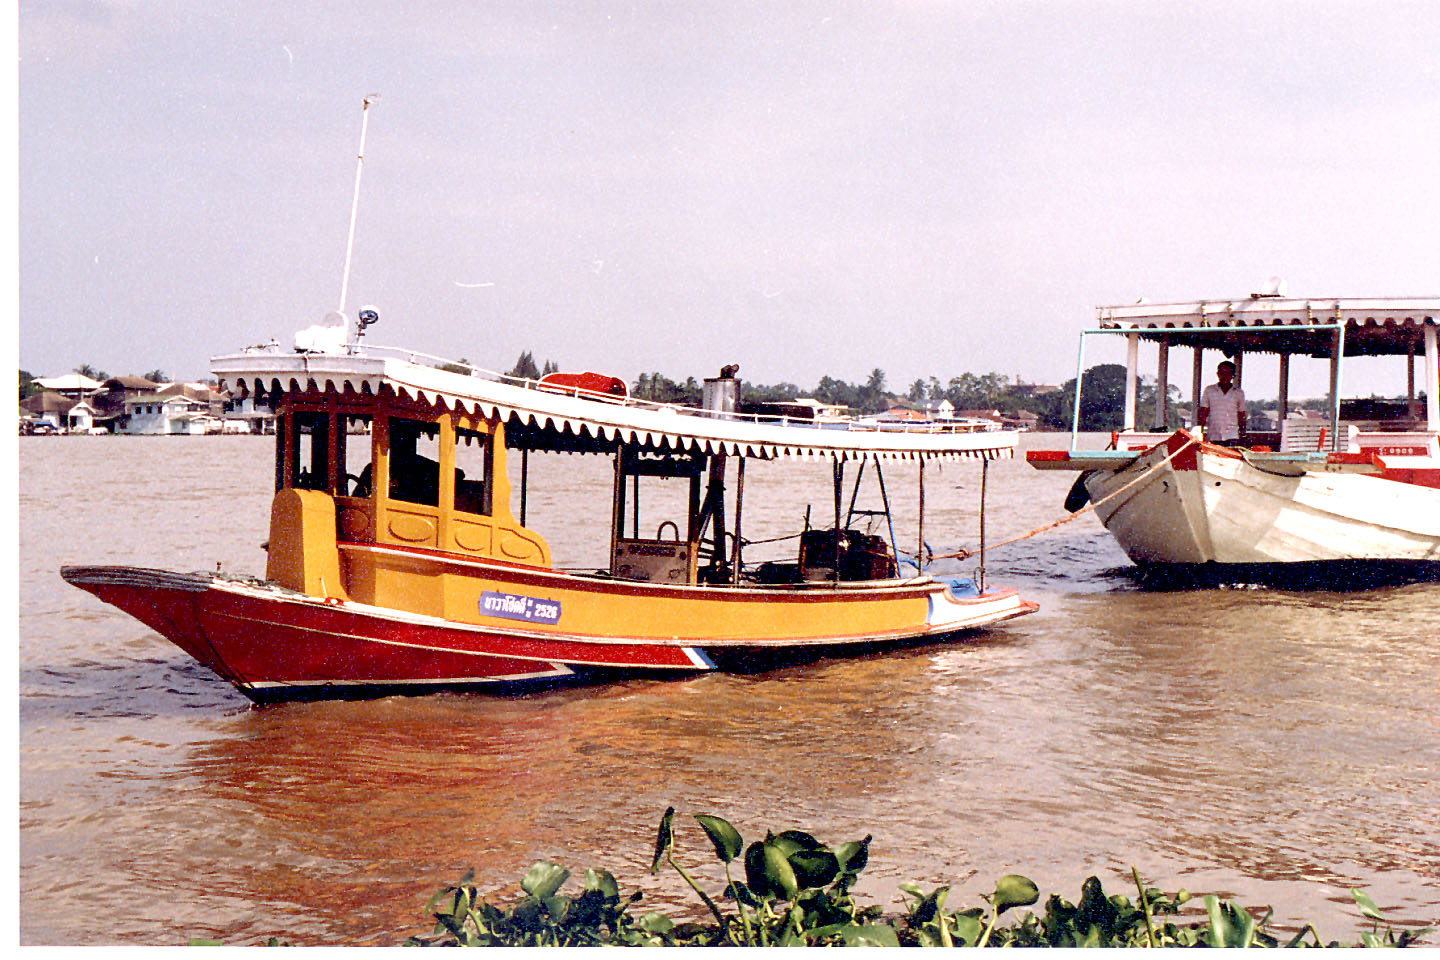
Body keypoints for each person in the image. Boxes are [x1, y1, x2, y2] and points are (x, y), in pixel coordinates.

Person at [1198, 360, 1246, 446]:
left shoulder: (1239, 393)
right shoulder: (1209, 390)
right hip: (1213, 436)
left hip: (1232, 436)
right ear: (1218, 374)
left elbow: (1241, 415)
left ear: (1233, 375)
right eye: (1222, 373)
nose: (1224, 376)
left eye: (1228, 373)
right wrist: (1199, 432)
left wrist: (1243, 435)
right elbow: (1203, 413)